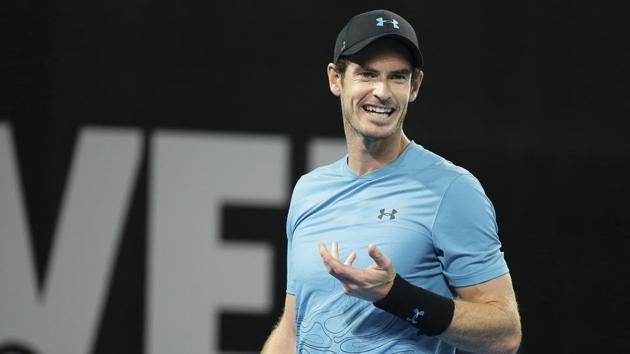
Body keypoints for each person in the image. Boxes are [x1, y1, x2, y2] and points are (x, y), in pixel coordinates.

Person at [262, 9, 521, 354]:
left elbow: (504, 333)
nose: (381, 92)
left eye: (397, 77)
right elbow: (293, 331)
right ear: (336, 79)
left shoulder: (453, 190)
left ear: (414, 86)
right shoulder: (309, 191)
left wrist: (395, 295)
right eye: (367, 74)